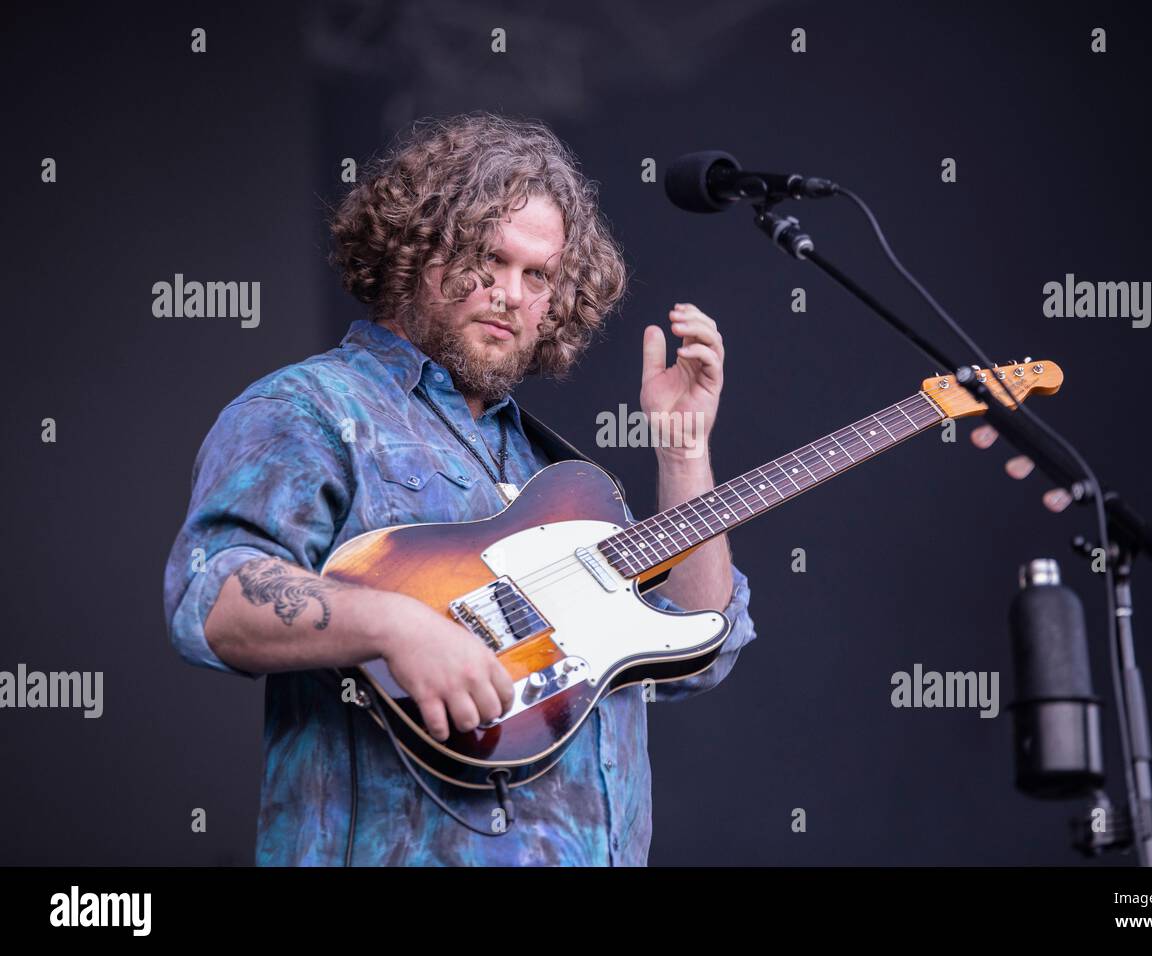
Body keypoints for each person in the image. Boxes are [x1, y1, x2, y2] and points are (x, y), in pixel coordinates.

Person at [162, 111, 757, 866]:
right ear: (414, 248)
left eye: (537, 275)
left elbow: (698, 645)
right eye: (487, 259)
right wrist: (395, 624)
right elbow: (210, 597)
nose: (511, 294)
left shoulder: (557, 478)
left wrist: (683, 451)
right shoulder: (310, 408)